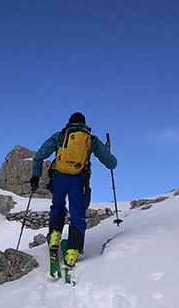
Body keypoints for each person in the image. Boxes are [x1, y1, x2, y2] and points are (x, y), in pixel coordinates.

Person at [29, 112, 117, 267]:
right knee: (77, 214)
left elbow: (39, 156)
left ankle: (55, 236)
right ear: (84, 124)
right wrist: (107, 151)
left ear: (69, 122)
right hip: (78, 181)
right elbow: (111, 164)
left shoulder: (60, 135)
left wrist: (35, 177)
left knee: (57, 206)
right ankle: (72, 252)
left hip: (59, 178)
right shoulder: (91, 139)